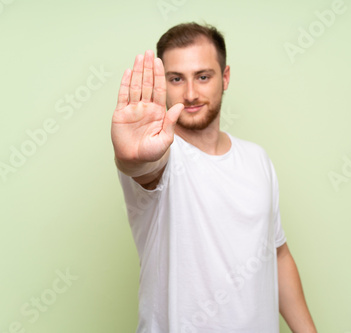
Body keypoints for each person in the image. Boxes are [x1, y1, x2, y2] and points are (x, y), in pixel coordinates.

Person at [111, 22, 317, 333]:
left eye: (203, 76)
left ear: (226, 77)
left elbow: (277, 254)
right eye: (176, 78)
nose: (191, 93)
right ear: (163, 83)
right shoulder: (160, 154)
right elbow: (143, 170)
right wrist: (134, 157)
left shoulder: (257, 159)